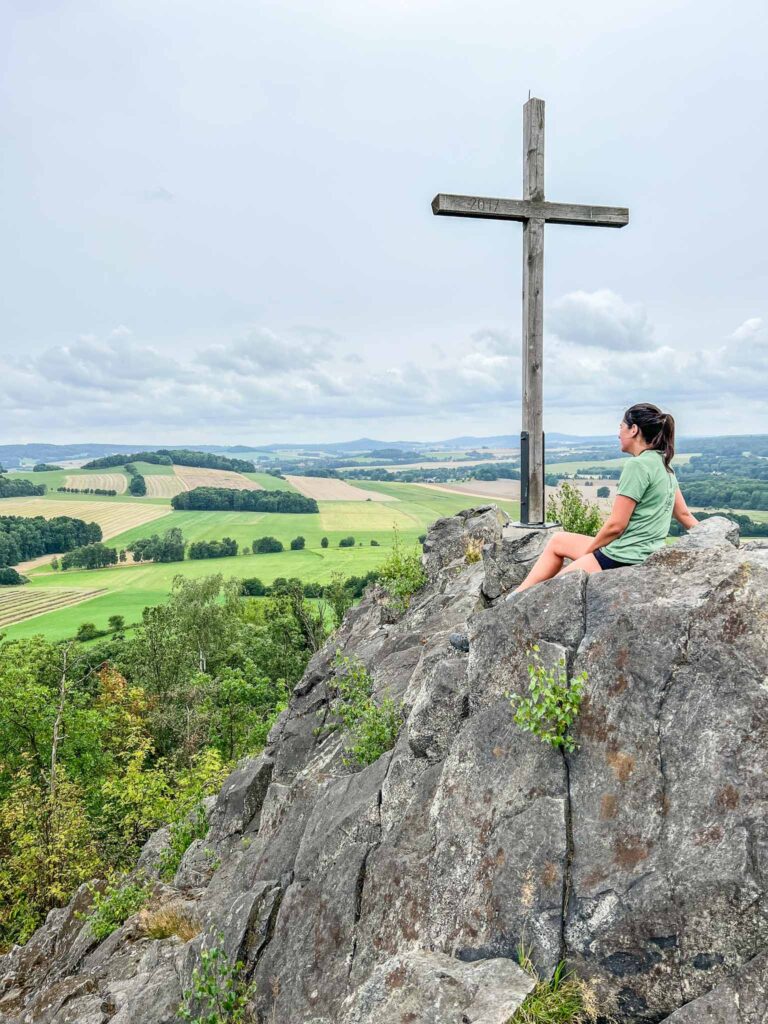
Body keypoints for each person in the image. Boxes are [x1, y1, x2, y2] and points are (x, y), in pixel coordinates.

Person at [513, 403, 699, 593]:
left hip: (624, 556)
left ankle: (516, 600)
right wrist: (714, 539)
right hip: (647, 553)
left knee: (547, 593)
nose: (618, 434)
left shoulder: (637, 466)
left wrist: (589, 553)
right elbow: (684, 515)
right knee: (558, 540)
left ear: (633, 430)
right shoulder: (664, 465)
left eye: (621, 427)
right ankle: (517, 595)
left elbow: (616, 526)